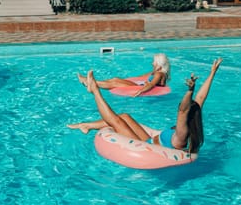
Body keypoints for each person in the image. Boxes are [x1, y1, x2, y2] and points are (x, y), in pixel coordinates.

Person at [68, 58, 223, 154]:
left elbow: (183, 110)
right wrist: (212, 73)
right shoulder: (193, 119)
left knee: (116, 120)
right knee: (125, 116)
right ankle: (86, 125)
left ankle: (95, 90)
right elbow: (200, 99)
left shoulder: (183, 133)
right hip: (149, 140)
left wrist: (190, 90)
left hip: (144, 146)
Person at [76, 53, 171, 97]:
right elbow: (142, 76)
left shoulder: (159, 74)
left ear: (159, 63)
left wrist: (139, 92)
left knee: (115, 83)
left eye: (154, 62)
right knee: (116, 79)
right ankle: (90, 82)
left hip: (139, 88)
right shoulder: (156, 72)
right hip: (139, 85)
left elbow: (151, 85)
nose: (152, 63)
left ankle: (89, 83)